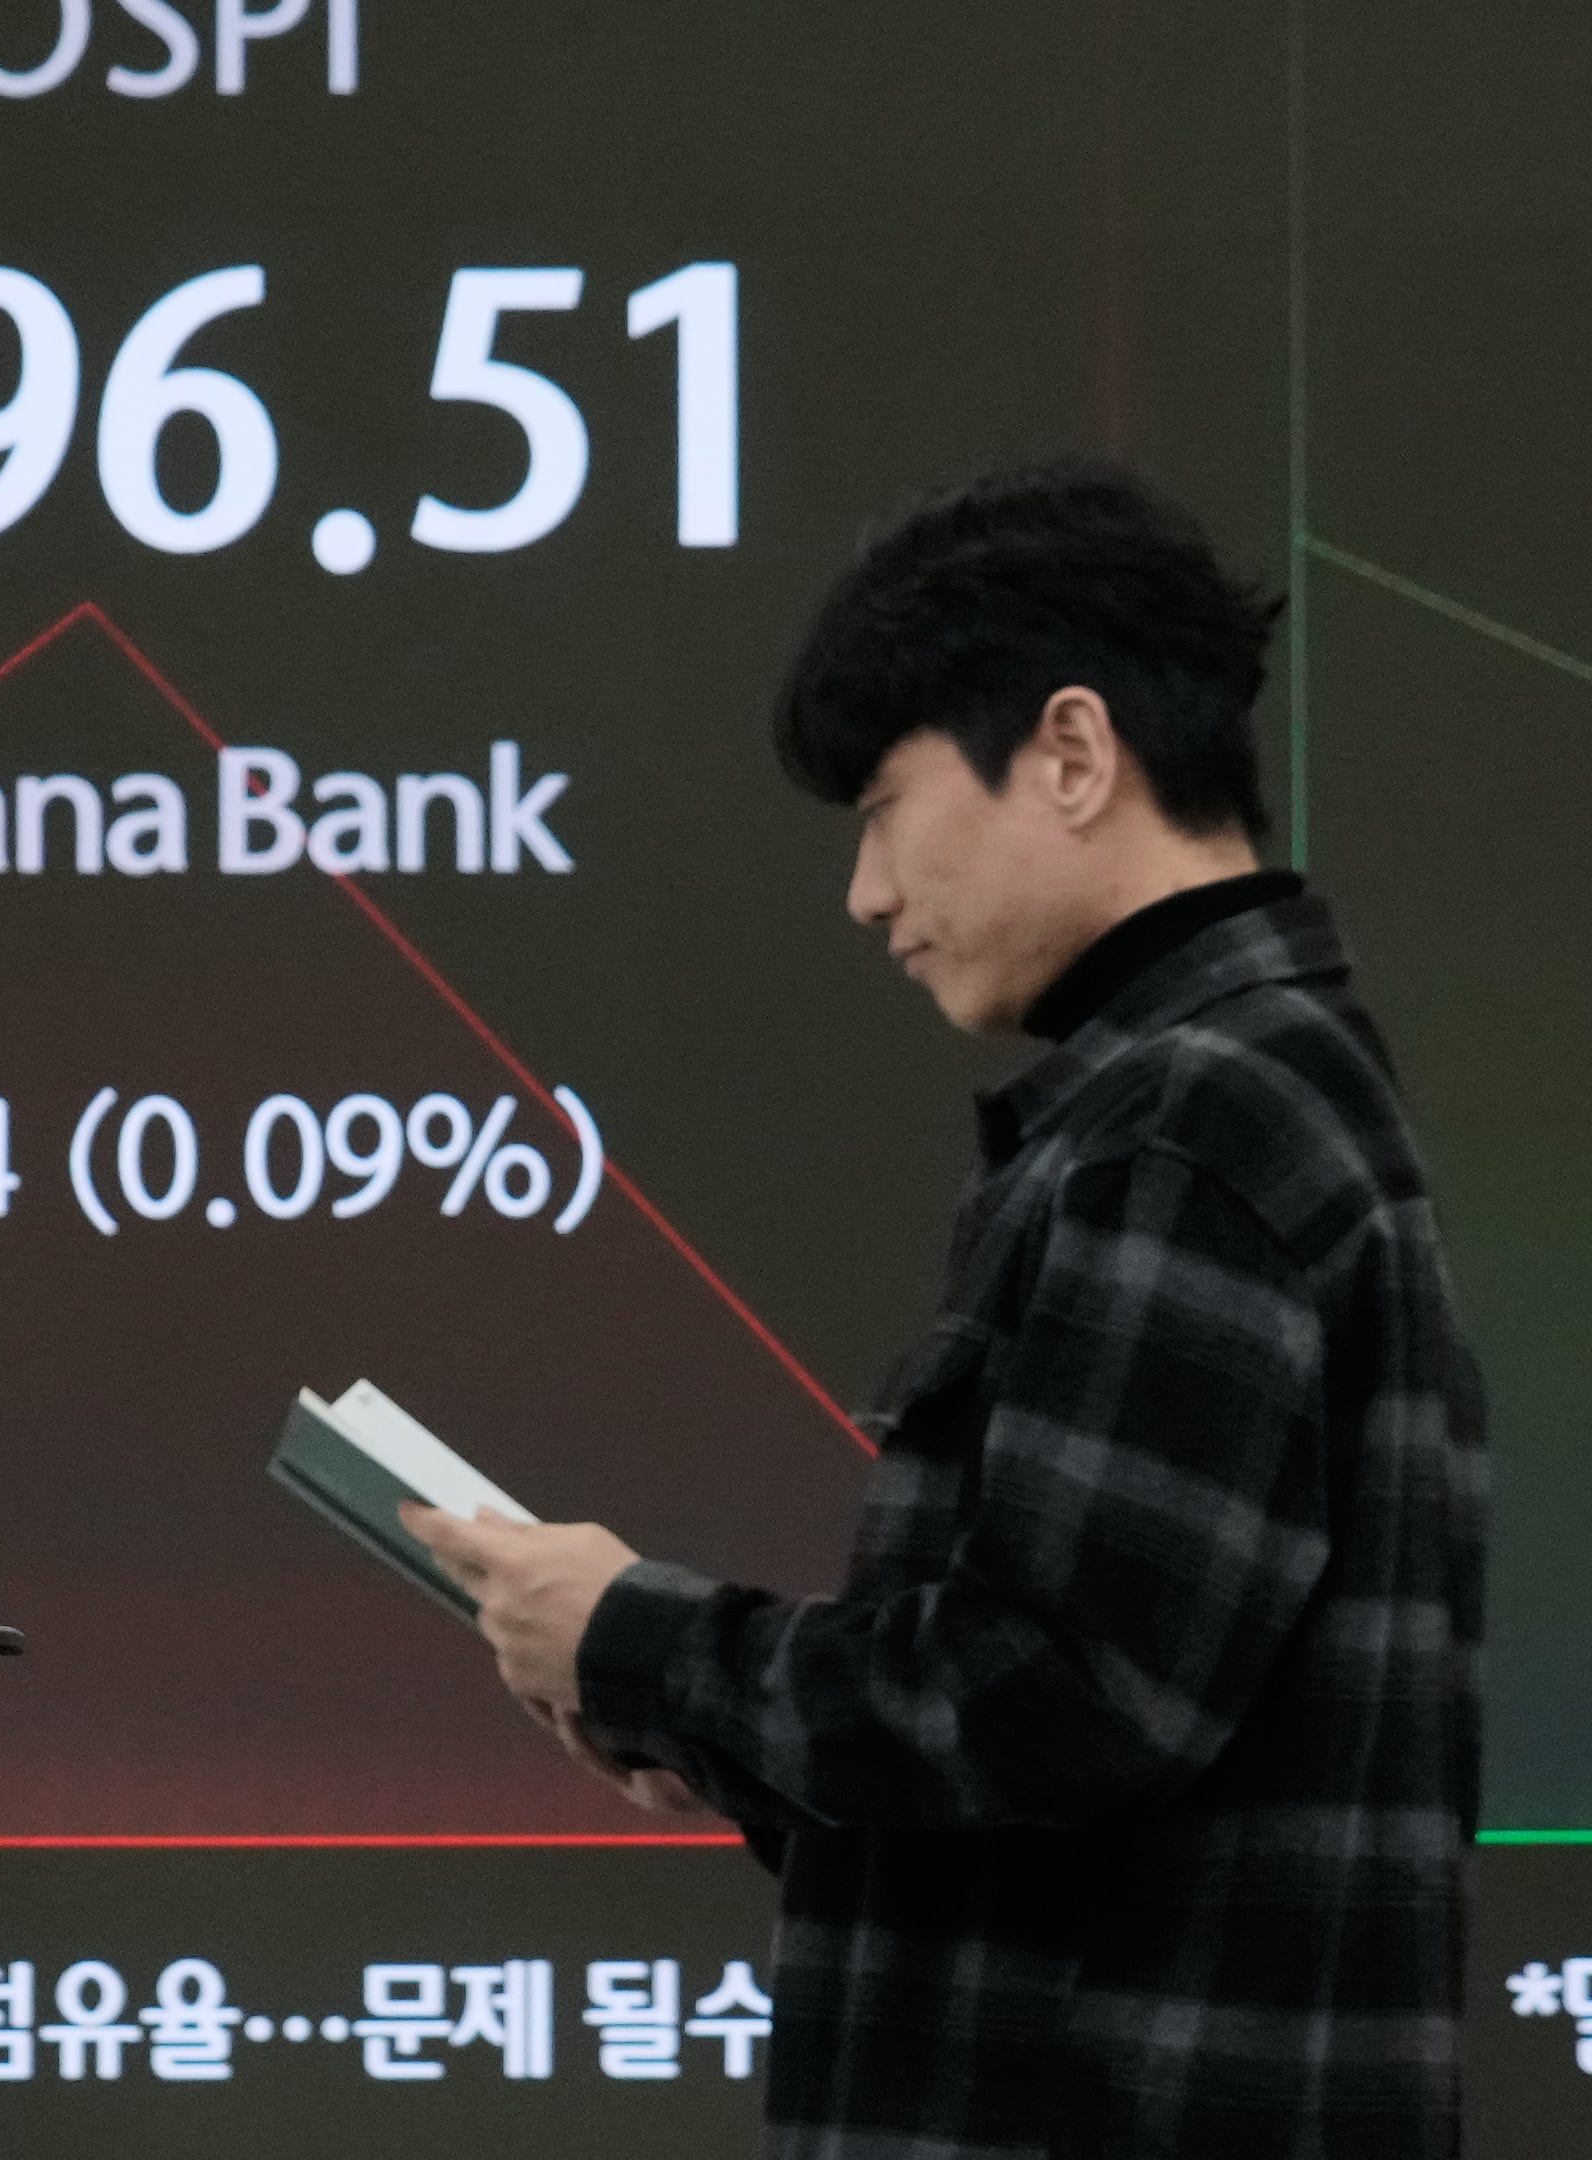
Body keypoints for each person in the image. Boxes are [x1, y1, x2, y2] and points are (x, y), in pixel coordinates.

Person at [403, 461, 1486, 2156]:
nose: (867, 896)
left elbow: (1064, 1699)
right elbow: (1099, 1766)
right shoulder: (1214, 1098)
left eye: (883, 808)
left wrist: (645, 1633)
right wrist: (718, 1733)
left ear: (1070, 752)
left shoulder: (1196, 1123)